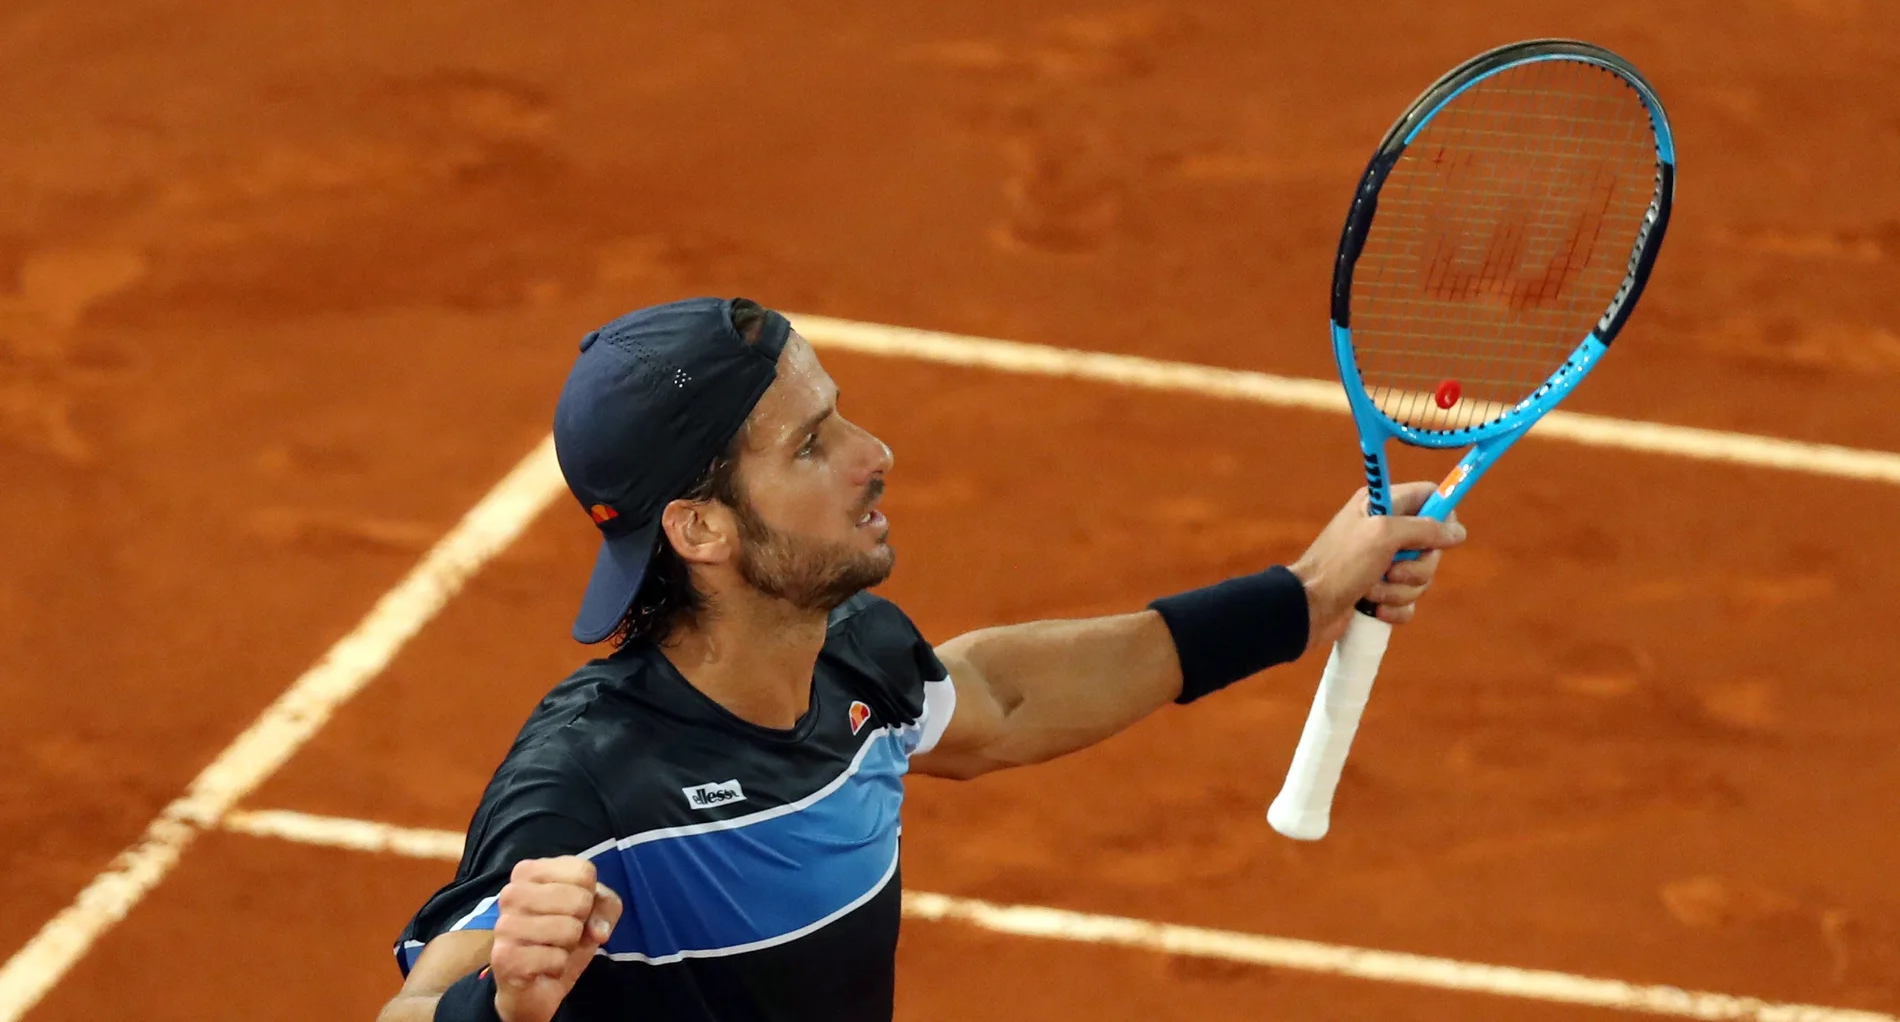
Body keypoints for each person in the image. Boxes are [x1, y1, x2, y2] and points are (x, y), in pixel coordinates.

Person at [376, 296, 1465, 1022]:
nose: (873, 456)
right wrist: (501, 1004)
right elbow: (413, 1007)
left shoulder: (857, 667)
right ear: (700, 528)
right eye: (810, 445)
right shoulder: (592, 783)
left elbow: (1004, 693)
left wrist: (1305, 594)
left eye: (838, 417)